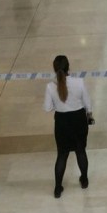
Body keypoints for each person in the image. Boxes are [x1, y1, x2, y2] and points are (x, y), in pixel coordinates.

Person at [43, 55, 93, 198]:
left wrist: (57, 105)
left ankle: (58, 187)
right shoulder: (79, 82)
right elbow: (88, 102)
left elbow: (47, 108)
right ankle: (84, 180)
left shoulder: (50, 86)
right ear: (68, 67)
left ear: (54, 69)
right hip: (78, 120)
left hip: (62, 122)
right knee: (80, 151)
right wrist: (89, 114)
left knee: (62, 155)